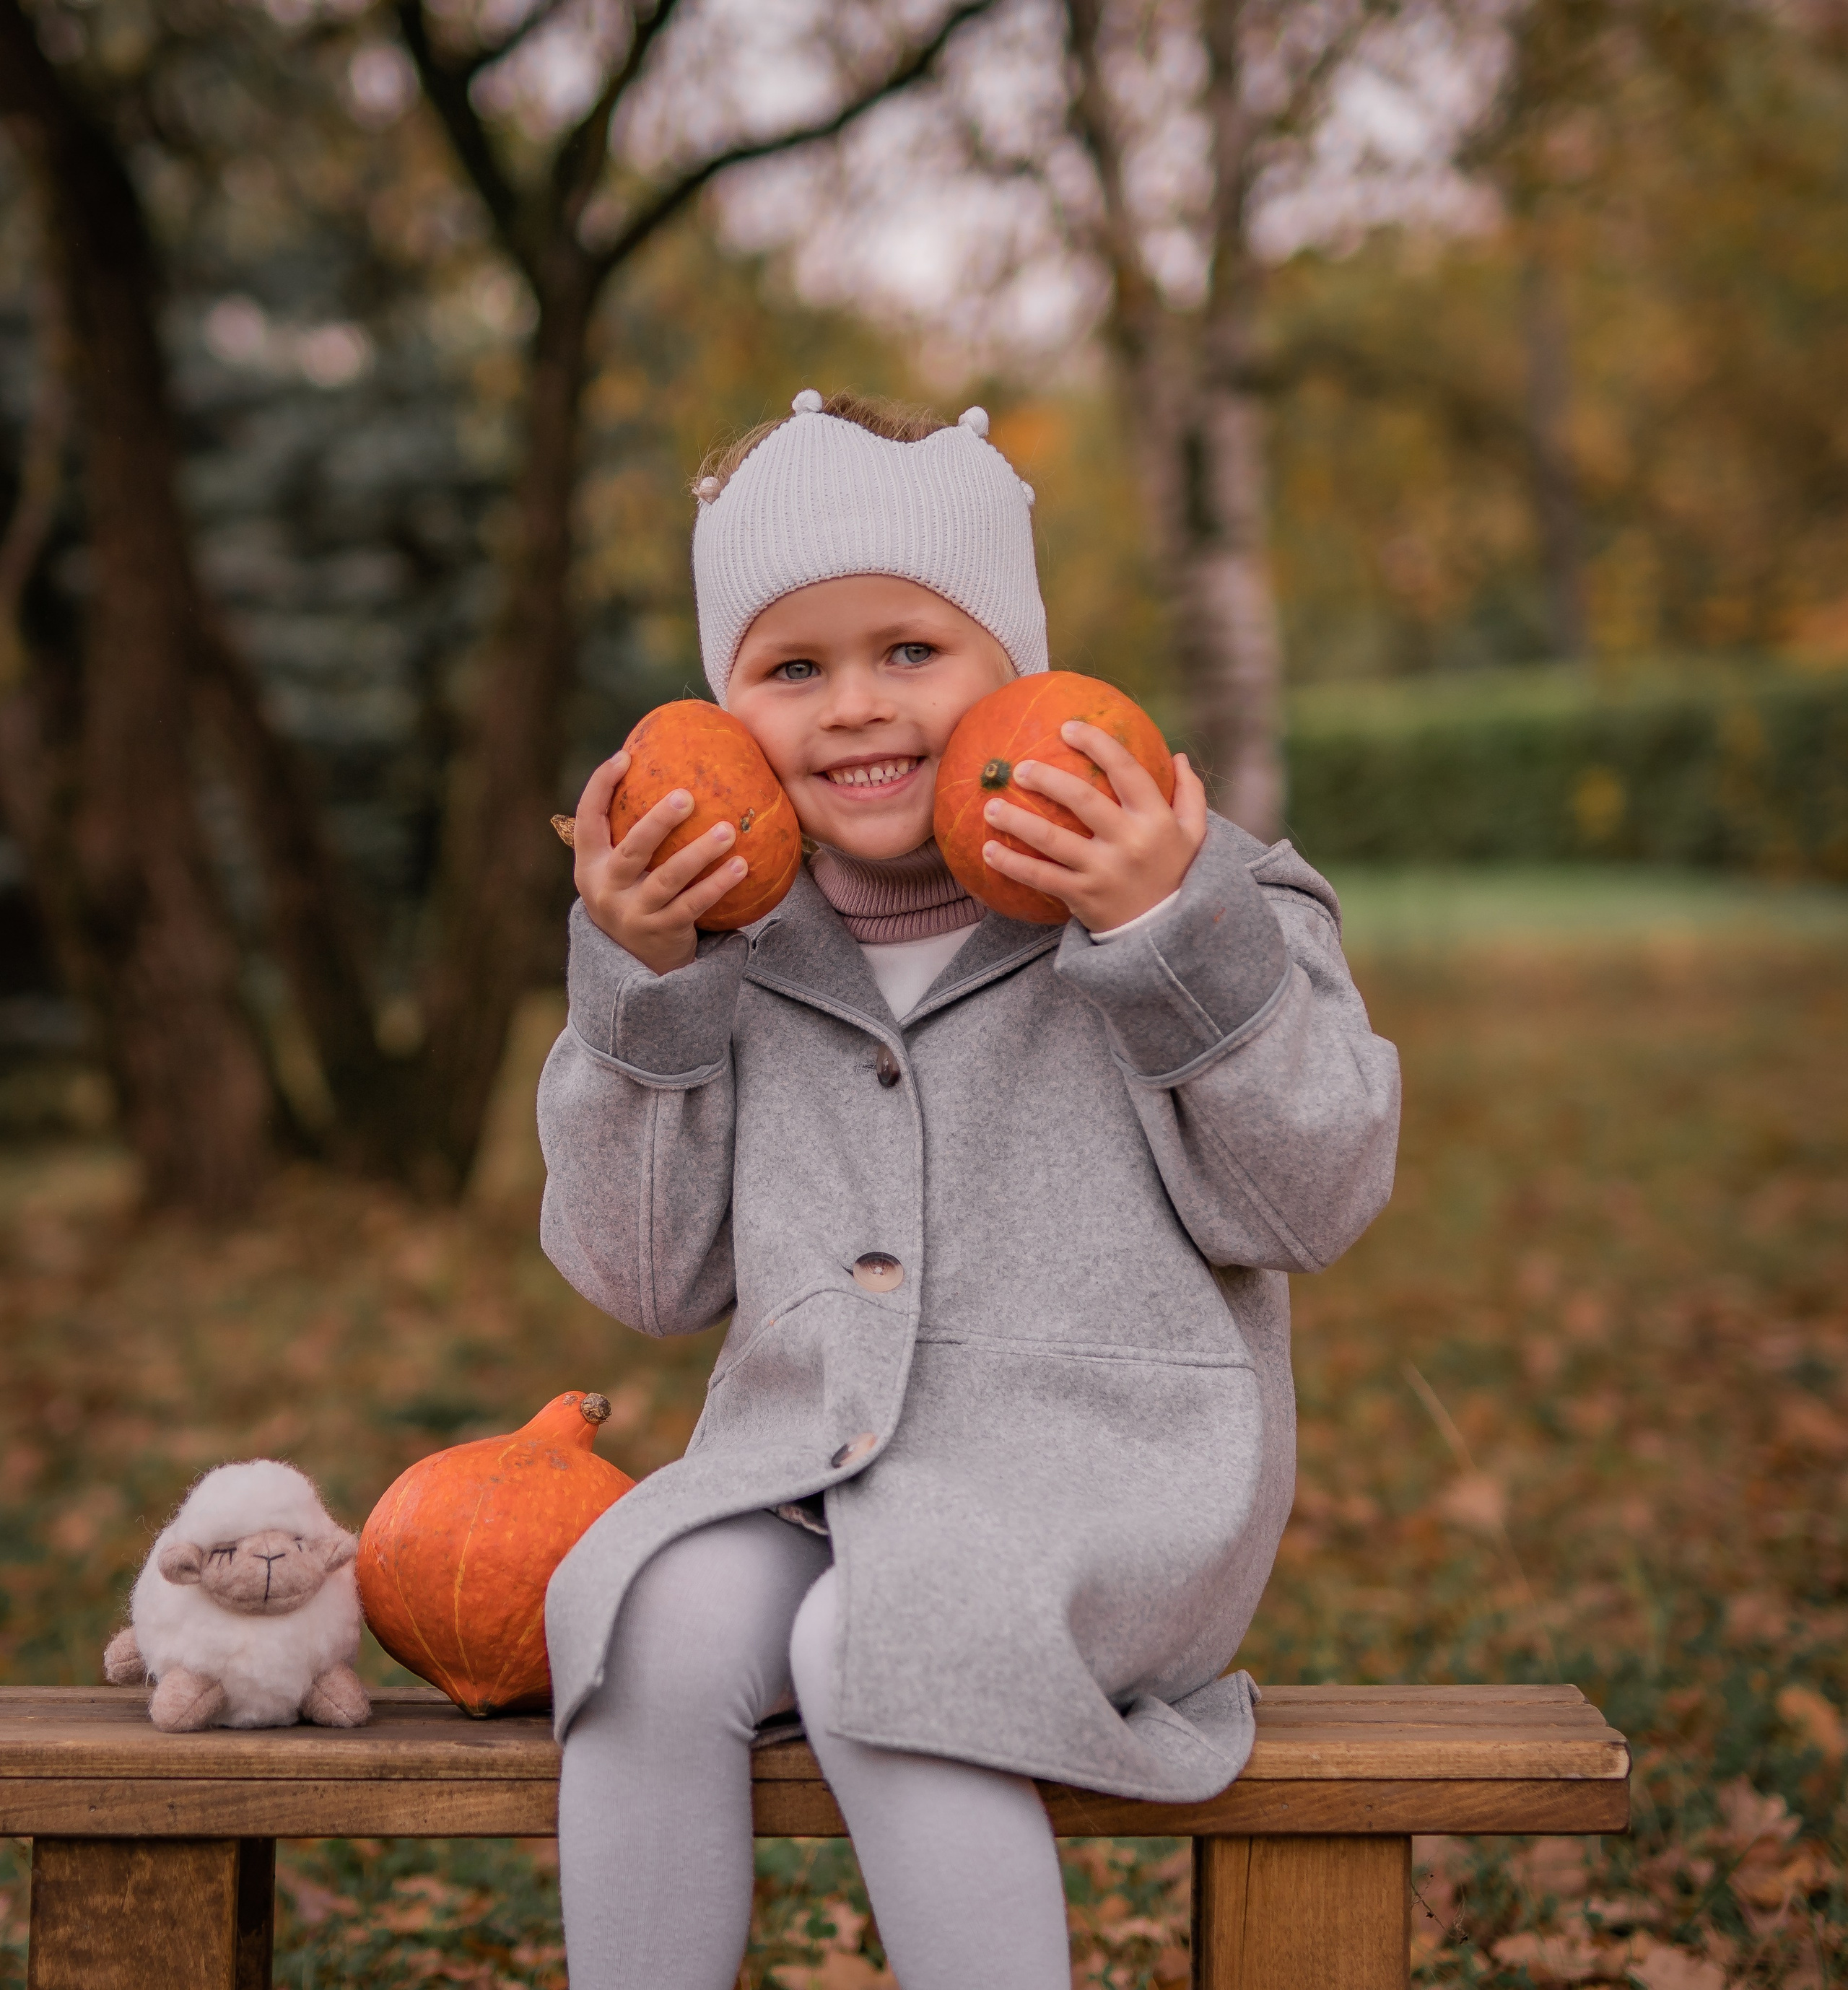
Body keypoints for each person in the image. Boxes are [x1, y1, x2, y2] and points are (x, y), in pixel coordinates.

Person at [537, 389, 1401, 1990]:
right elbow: (642, 1278)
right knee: (641, 1610)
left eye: (911, 650)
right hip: (811, 1467)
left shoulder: (1198, 893)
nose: (856, 706)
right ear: (722, 702)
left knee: (870, 1634)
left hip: (1114, 1486)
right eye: (793, 667)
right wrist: (647, 998)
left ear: (1020, 666)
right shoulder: (725, 941)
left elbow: (1314, 1198)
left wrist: (1166, 944)